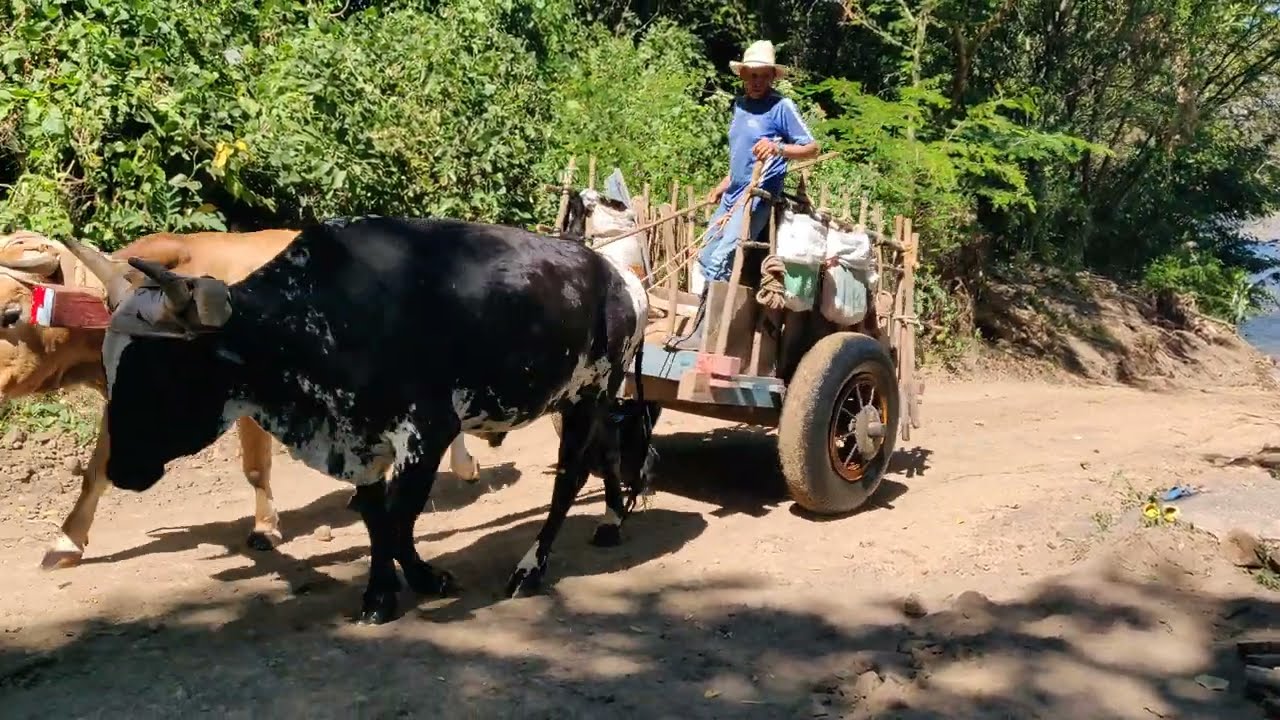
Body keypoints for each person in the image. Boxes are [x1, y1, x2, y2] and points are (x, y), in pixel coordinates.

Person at [670, 39, 820, 351]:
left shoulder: (781, 107)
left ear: (772, 77)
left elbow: (811, 147)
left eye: (763, 75)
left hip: (758, 195)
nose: (757, 81)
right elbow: (742, 158)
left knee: (723, 256)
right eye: (752, 75)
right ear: (743, 76)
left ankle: (704, 334)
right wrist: (724, 183)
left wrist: (778, 147)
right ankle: (702, 324)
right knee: (707, 255)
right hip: (734, 194)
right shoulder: (739, 107)